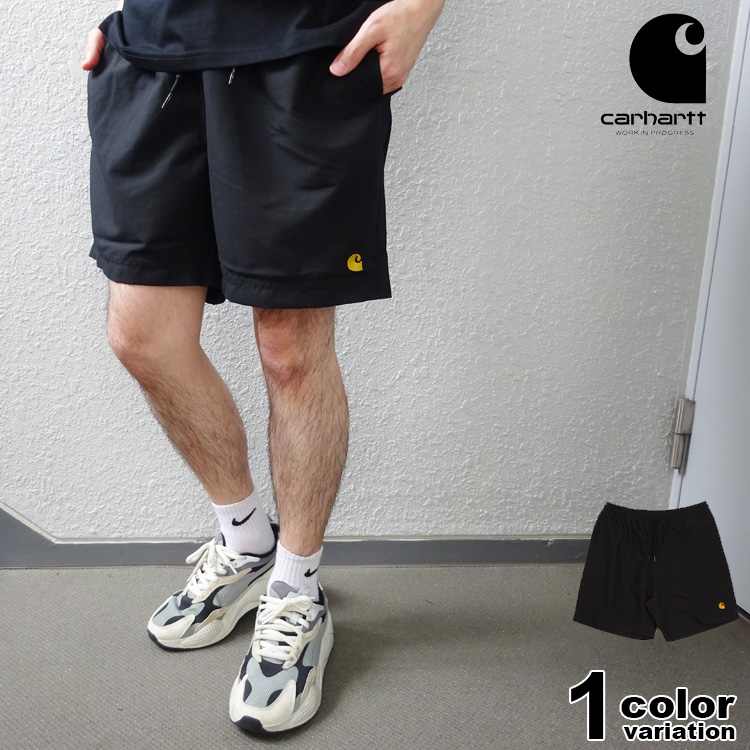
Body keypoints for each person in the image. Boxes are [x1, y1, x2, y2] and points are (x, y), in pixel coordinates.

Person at [81, 0, 445, 735]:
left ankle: (297, 589)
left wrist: (422, 5)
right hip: (153, 52)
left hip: (303, 52)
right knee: (141, 337)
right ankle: (247, 541)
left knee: (290, 351)